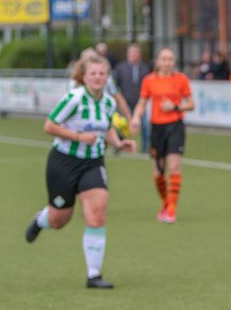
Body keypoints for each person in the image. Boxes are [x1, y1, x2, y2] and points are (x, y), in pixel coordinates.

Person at [23, 54, 138, 288]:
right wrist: (78, 137)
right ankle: (41, 220)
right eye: (93, 73)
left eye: (102, 73)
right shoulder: (73, 99)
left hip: (93, 162)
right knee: (59, 220)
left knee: (97, 214)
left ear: (107, 77)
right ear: (84, 77)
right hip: (64, 162)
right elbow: (49, 125)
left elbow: (106, 128)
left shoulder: (109, 102)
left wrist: (118, 143)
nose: (98, 77)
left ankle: (93, 275)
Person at [130, 48, 195, 224]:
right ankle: (165, 202)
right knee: (158, 173)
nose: (167, 62)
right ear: (157, 61)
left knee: (174, 167)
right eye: (164, 59)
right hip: (157, 128)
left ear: (174, 62)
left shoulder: (181, 79)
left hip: (175, 126)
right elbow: (142, 102)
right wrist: (136, 117)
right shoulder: (149, 80)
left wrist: (175, 107)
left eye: (170, 59)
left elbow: (191, 104)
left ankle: (172, 210)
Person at [114, 44, 152, 151]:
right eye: (133, 53)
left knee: (144, 125)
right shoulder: (120, 68)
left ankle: (145, 148)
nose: (135, 55)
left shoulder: (145, 68)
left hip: (140, 102)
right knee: (121, 124)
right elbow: (116, 85)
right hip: (125, 102)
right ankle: (119, 145)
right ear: (128, 54)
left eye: (137, 53)